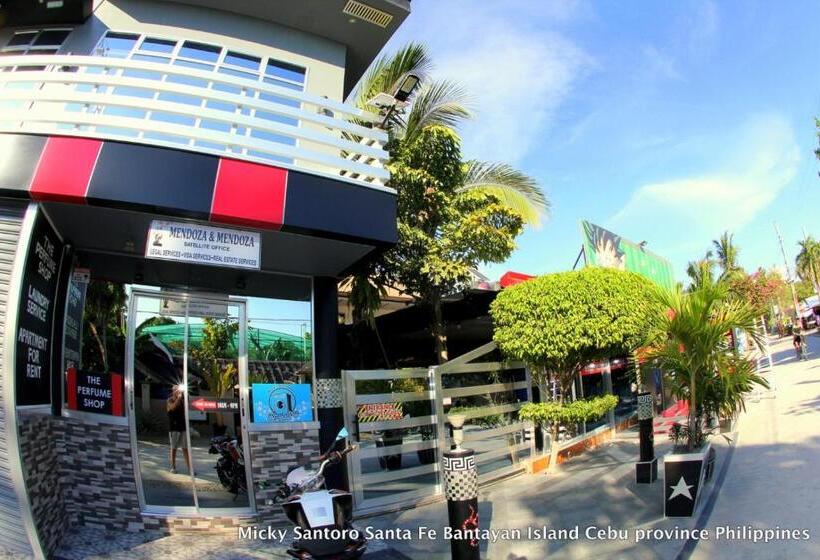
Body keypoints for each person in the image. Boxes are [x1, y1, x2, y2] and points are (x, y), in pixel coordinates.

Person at [167, 385, 192, 474]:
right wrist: (178, 398)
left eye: (179, 390)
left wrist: (185, 397)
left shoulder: (182, 400)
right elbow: (172, 407)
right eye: (176, 390)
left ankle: (190, 469)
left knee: (185, 448)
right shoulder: (170, 400)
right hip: (174, 427)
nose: (178, 391)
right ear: (173, 391)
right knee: (174, 448)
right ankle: (173, 467)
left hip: (183, 427)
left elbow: (187, 408)